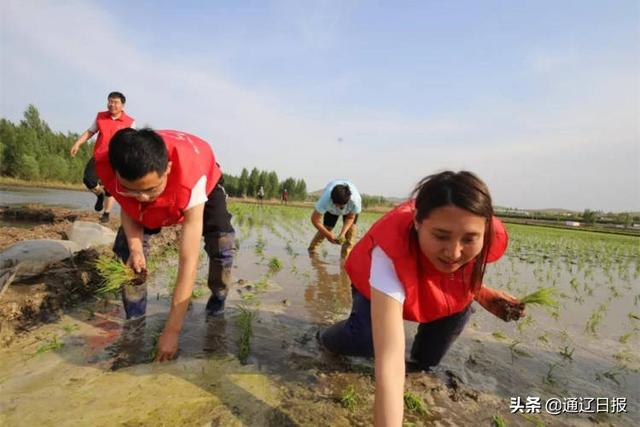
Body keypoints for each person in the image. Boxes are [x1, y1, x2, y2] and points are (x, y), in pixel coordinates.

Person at [317, 171, 526, 426]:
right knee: (366, 339)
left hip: (436, 289)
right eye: (441, 236)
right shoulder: (389, 254)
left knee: (427, 361)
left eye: (469, 239)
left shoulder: (475, 233)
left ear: (484, 231)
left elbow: (460, 269)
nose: (454, 252)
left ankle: (423, 357)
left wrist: (480, 292)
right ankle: (326, 337)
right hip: (373, 286)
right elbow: (391, 362)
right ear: (417, 223)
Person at [95, 128, 235, 362]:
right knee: (126, 251)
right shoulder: (116, 164)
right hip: (151, 178)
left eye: (150, 190)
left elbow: (188, 259)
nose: (141, 198)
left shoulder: (192, 180)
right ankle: (135, 320)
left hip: (203, 177)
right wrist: (136, 249)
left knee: (222, 244)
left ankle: (216, 306)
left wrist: (172, 330)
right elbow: (129, 207)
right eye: (132, 190)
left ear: (167, 169)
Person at [70, 91, 135, 223]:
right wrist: (77, 143)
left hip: (116, 159)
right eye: (110, 101)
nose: (112, 105)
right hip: (99, 155)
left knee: (111, 187)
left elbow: (133, 143)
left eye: (115, 102)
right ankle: (99, 194)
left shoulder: (130, 122)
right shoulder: (101, 117)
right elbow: (90, 132)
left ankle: (106, 213)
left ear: (122, 105)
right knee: (89, 180)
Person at [308, 179, 362, 259]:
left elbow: (350, 217)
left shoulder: (355, 201)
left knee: (350, 233)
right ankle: (312, 250)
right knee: (326, 228)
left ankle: (344, 259)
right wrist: (328, 234)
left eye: (341, 206)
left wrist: (342, 234)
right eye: (335, 204)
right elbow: (315, 219)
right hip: (331, 210)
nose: (338, 208)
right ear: (332, 199)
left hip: (349, 211)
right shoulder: (325, 199)